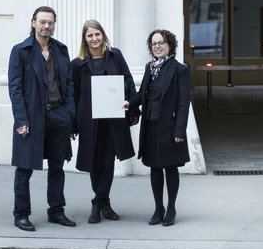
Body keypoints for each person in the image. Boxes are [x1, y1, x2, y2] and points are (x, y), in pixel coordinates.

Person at [8, 6, 76, 231]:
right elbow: (15, 88)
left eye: (50, 22)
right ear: (34, 23)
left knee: (57, 167)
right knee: (24, 167)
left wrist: (69, 115)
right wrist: (21, 120)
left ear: (54, 24)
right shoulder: (21, 51)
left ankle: (56, 211)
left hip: (58, 115)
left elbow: (69, 84)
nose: (47, 26)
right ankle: (21, 214)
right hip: (32, 117)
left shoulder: (61, 50)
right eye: (43, 22)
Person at [70, 20, 140, 223]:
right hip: (89, 121)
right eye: (90, 35)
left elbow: (128, 81)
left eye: (97, 34)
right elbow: (73, 95)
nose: (94, 38)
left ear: (103, 35)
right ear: (85, 39)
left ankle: (98, 204)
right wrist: (72, 125)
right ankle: (103, 203)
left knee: (108, 162)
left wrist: (133, 108)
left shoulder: (115, 56)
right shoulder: (77, 64)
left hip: (113, 119)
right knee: (94, 163)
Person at [124, 29, 191, 227]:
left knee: (170, 167)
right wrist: (129, 102)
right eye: (154, 43)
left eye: (161, 42)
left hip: (170, 128)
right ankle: (158, 208)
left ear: (170, 45)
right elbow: (142, 93)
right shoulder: (150, 67)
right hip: (151, 126)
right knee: (154, 167)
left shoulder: (180, 69)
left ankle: (171, 208)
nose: (157, 46)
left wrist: (180, 130)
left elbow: (183, 103)